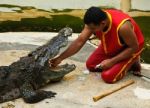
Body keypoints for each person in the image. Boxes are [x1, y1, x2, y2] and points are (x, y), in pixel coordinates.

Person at [49, 7, 144, 84]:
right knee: (91, 65)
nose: (90, 31)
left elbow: (133, 47)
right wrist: (60, 58)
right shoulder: (95, 21)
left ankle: (133, 61)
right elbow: (80, 41)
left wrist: (112, 61)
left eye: (92, 28)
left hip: (131, 48)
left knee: (108, 77)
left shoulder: (123, 27)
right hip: (112, 44)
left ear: (102, 23)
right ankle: (120, 61)